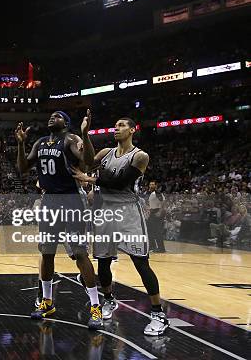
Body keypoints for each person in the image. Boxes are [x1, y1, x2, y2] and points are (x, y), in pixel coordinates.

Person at [73, 110, 169, 336]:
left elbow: (119, 182)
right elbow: (87, 163)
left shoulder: (140, 156)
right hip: (105, 211)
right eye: (115, 126)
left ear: (132, 130)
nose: (116, 129)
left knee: (140, 262)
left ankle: (158, 314)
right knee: (103, 262)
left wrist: (91, 180)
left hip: (129, 212)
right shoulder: (106, 152)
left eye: (121, 125)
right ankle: (108, 300)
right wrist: (85, 135)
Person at [15, 111, 103, 330]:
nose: (52, 117)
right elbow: (23, 169)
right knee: (46, 252)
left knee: (80, 252)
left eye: (58, 115)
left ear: (67, 122)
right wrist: (21, 145)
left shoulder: (72, 139)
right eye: (51, 115)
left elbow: (88, 162)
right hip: (49, 200)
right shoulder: (41, 142)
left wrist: (86, 133)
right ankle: (47, 302)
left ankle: (95, 306)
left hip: (72, 199)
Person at [147, 181, 166, 252]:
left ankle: (161, 248)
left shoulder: (157, 193)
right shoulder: (152, 194)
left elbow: (163, 202)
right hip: (152, 212)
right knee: (149, 230)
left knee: (157, 231)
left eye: (153, 184)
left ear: (155, 186)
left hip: (157, 212)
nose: (151, 186)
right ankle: (152, 246)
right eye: (150, 184)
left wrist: (160, 211)